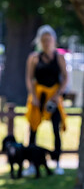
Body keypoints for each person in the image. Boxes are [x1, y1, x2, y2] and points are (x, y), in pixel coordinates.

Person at [25, 24, 68, 175]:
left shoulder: (59, 57)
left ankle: (57, 163)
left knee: (56, 129)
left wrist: (57, 95)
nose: (46, 42)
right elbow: (29, 78)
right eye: (44, 40)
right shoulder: (34, 58)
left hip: (53, 97)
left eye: (49, 40)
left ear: (53, 40)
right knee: (33, 129)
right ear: (40, 41)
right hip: (38, 96)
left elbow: (65, 78)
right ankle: (31, 164)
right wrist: (34, 97)